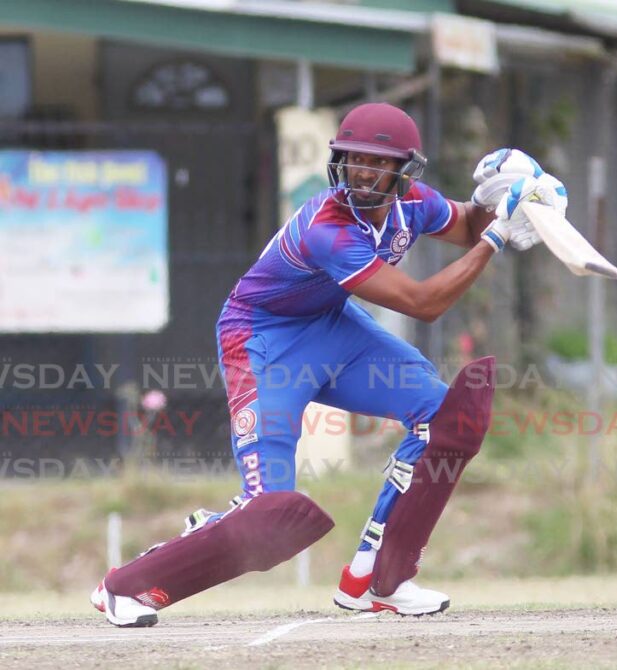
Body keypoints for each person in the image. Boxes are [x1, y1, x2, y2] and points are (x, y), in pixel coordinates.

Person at [89, 102, 566, 626]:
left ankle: (379, 578)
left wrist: (509, 197)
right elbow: (424, 304)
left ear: (404, 171)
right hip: (262, 341)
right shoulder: (328, 226)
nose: (362, 172)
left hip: (332, 328)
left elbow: (468, 225)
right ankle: (126, 586)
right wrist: (498, 236)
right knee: (269, 520)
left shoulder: (414, 203)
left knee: (446, 417)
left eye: (378, 162)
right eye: (354, 159)